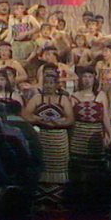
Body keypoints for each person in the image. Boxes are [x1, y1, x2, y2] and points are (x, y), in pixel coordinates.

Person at [23, 72, 74, 206]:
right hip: (43, 137)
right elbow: (25, 115)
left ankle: (59, 201)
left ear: (57, 85)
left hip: (59, 139)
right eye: (46, 83)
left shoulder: (63, 99)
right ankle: (41, 201)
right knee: (43, 167)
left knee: (59, 169)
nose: (48, 86)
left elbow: (70, 119)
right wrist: (38, 119)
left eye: (51, 83)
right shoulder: (36, 98)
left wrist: (58, 123)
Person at [70, 67, 111, 167]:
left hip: (95, 135)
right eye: (84, 76)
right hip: (78, 136)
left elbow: (105, 116)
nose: (87, 79)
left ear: (94, 79)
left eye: (90, 77)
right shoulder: (74, 96)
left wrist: (109, 134)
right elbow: (71, 118)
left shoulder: (101, 95)